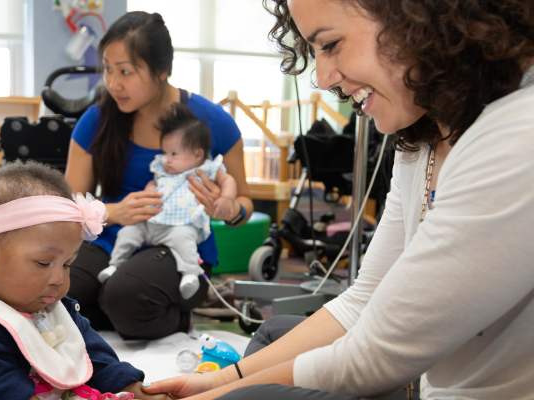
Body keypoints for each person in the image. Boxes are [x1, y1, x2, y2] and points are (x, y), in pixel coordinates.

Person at [141, 0, 534, 399]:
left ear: (418, 18)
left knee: (252, 393)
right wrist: (217, 381)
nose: (324, 78)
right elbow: (363, 302)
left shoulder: (518, 134)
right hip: (422, 379)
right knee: (275, 334)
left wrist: (220, 394)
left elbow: (373, 357)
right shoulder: (422, 139)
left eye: (329, 44)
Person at [65, 11, 253, 340]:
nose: (113, 83)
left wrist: (229, 209)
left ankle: (164, 313)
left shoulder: (211, 121)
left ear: (162, 71)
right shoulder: (96, 121)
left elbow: (245, 201)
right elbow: (67, 206)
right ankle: (118, 312)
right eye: (108, 69)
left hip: (179, 245)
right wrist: (113, 212)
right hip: (116, 236)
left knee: (123, 297)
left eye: (125, 72)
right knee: (57, 291)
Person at [0, 161, 166, 400]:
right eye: (43, 263)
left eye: (67, 264)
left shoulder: (60, 308)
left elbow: (94, 356)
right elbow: (1, 389)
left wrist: (132, 387)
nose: (59, 279)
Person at [99, 103, 238, 300]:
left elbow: (228, 180)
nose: (167, 160)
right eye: (164, 153)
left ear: (198, 154)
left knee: (184, 242)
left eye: (173, 154)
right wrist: (149, 190)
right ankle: (115, 265)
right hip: (151, 223)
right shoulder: (163, 169)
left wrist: (226, 198)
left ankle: (190, 274)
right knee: (127, 233)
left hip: (181, 226)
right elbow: (153, 182)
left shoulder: (206, 169)